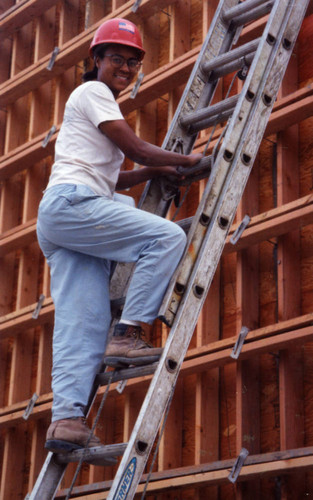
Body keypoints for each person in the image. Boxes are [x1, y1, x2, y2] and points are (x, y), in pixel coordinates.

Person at [36, 18, 202, 454]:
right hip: (72, 206)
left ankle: (66, 420)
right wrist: (188, 161)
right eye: (117, 59)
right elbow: (138, 149)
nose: (125, 68)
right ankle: (127, 334)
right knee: (165, 239)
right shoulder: (94, 93)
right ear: (96, 60)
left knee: (83, 322)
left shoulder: (94, 106)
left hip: (66, 216)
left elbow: (116, 175)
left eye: (132, 62)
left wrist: (151, 172)